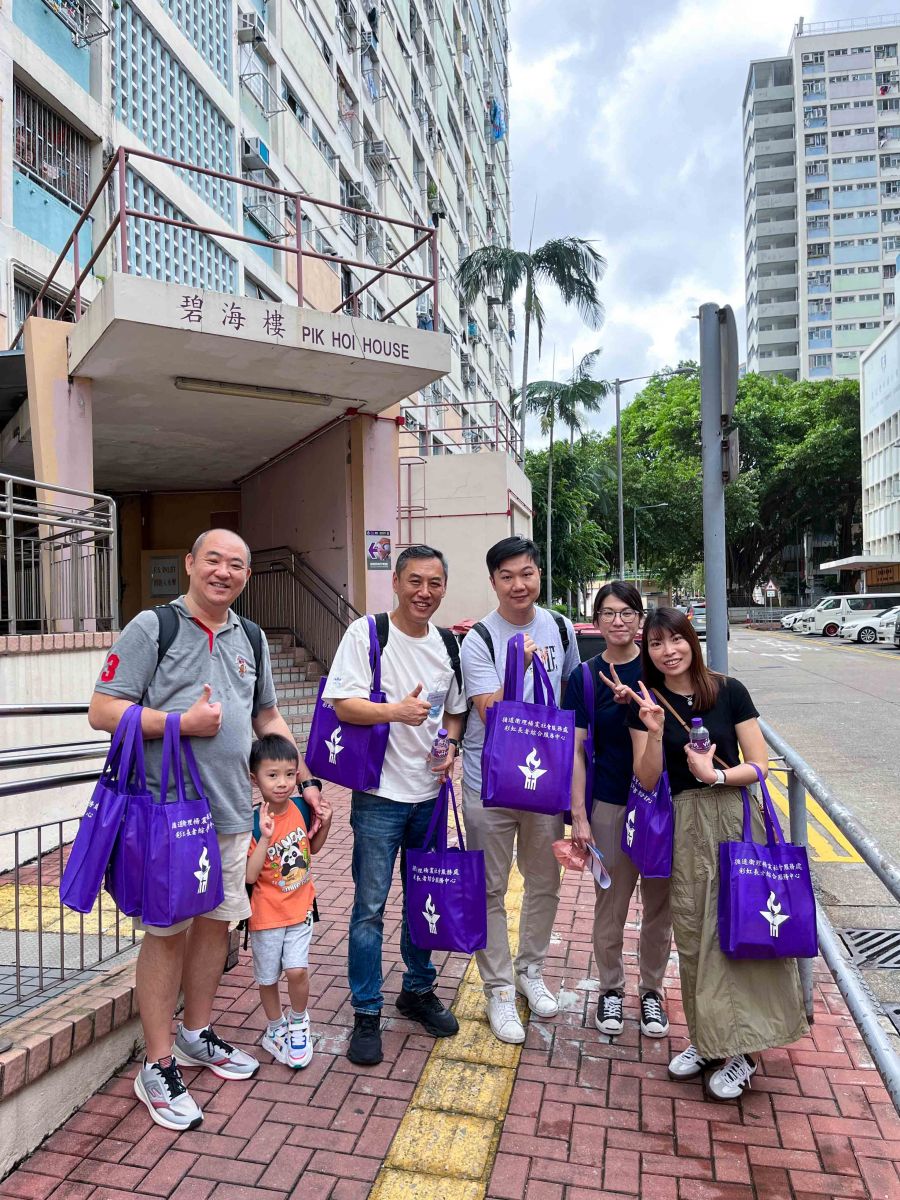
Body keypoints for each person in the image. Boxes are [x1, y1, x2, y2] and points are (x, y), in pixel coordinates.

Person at [89, 529, 323, 1131]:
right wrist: (179, 723)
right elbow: (102, 710)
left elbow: (267, 714)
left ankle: (195, 1033)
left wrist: (303, 781)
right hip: (170, 817)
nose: (224, 571)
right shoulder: (154, 627)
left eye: (236, 564)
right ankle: (157, 1063)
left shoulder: (251, 637)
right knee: (167, 933)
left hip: (234, 812)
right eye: (213, 559)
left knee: (217, 926)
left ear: (247, 576)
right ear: (190, 564)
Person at [609, 606, 808, 1101]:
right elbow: (646, 779)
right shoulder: (645, 701)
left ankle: (746, 1050)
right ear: (648, 650)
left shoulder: (729, 690)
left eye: (675, 639)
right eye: (656, 643)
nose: (668, 651)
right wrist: (655, 731)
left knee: (741, 930)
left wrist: (715, 774)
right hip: (681, 823)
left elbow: (759, 765)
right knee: (694, 934)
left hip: (734, 818)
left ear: (691, 641)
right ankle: (709, 1039)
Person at [322, 544, 467, 1067]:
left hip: (430, 797)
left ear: (444, 587)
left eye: (434, 583)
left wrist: (450, 744)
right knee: (369, 907)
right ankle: (366, 1010)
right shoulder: (368, 633)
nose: (424, 592)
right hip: (379, 797)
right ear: (397, 583)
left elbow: (455, 713)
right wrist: (396, 712)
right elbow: (342, 703)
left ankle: (418, 989)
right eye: (415, 581)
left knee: (422, 897)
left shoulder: (447, 644)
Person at [460, 536, 580, 1044]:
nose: (518, 585)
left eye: (526, 573)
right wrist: (519, 668)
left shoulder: (560, 628)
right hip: (488, 783)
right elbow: (490, 711)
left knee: (544, 880)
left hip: (544, 781)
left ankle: (530, 970)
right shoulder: (479, 639)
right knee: (489, 887)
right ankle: (499, 989)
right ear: (493, 582)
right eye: (507, 576)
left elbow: (571, 699)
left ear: (539, 575)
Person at [566, 583, 673, 1040]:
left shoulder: (661, 668)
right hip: (609, 805)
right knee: (610, 905)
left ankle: (652, 991)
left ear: (640, 619)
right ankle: (610, 988)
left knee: (660, 906)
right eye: (608, 613)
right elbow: (575, 751)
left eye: (627, 612)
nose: (618, 621)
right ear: (596, 620)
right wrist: (580, 815)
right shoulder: (585, 678)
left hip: (661, 809)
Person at [246, 734, 333, 1070]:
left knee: (296, 970)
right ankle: (275, 1027)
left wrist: (326, 822)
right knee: (268, 978)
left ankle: (298, 1022)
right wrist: (266, 837)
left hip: (300, 908)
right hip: (266, 914)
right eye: (272, 775)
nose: (281, 783)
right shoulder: (253, 821)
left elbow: (313, 849)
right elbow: (250, 875)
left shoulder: (299, 808)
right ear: (255, 779)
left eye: (288, 774)